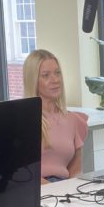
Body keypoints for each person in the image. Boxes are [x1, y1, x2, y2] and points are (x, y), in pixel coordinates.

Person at [23, 49, 89, 183]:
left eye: (57, 73)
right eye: (46, 75)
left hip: (63, 188)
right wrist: (54, 189)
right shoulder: (23, 120)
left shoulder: (72, 119)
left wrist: (69, 189)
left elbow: (76, 166)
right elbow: (21, 170)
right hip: (36, 190)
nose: (55, 80)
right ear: (33, 81)